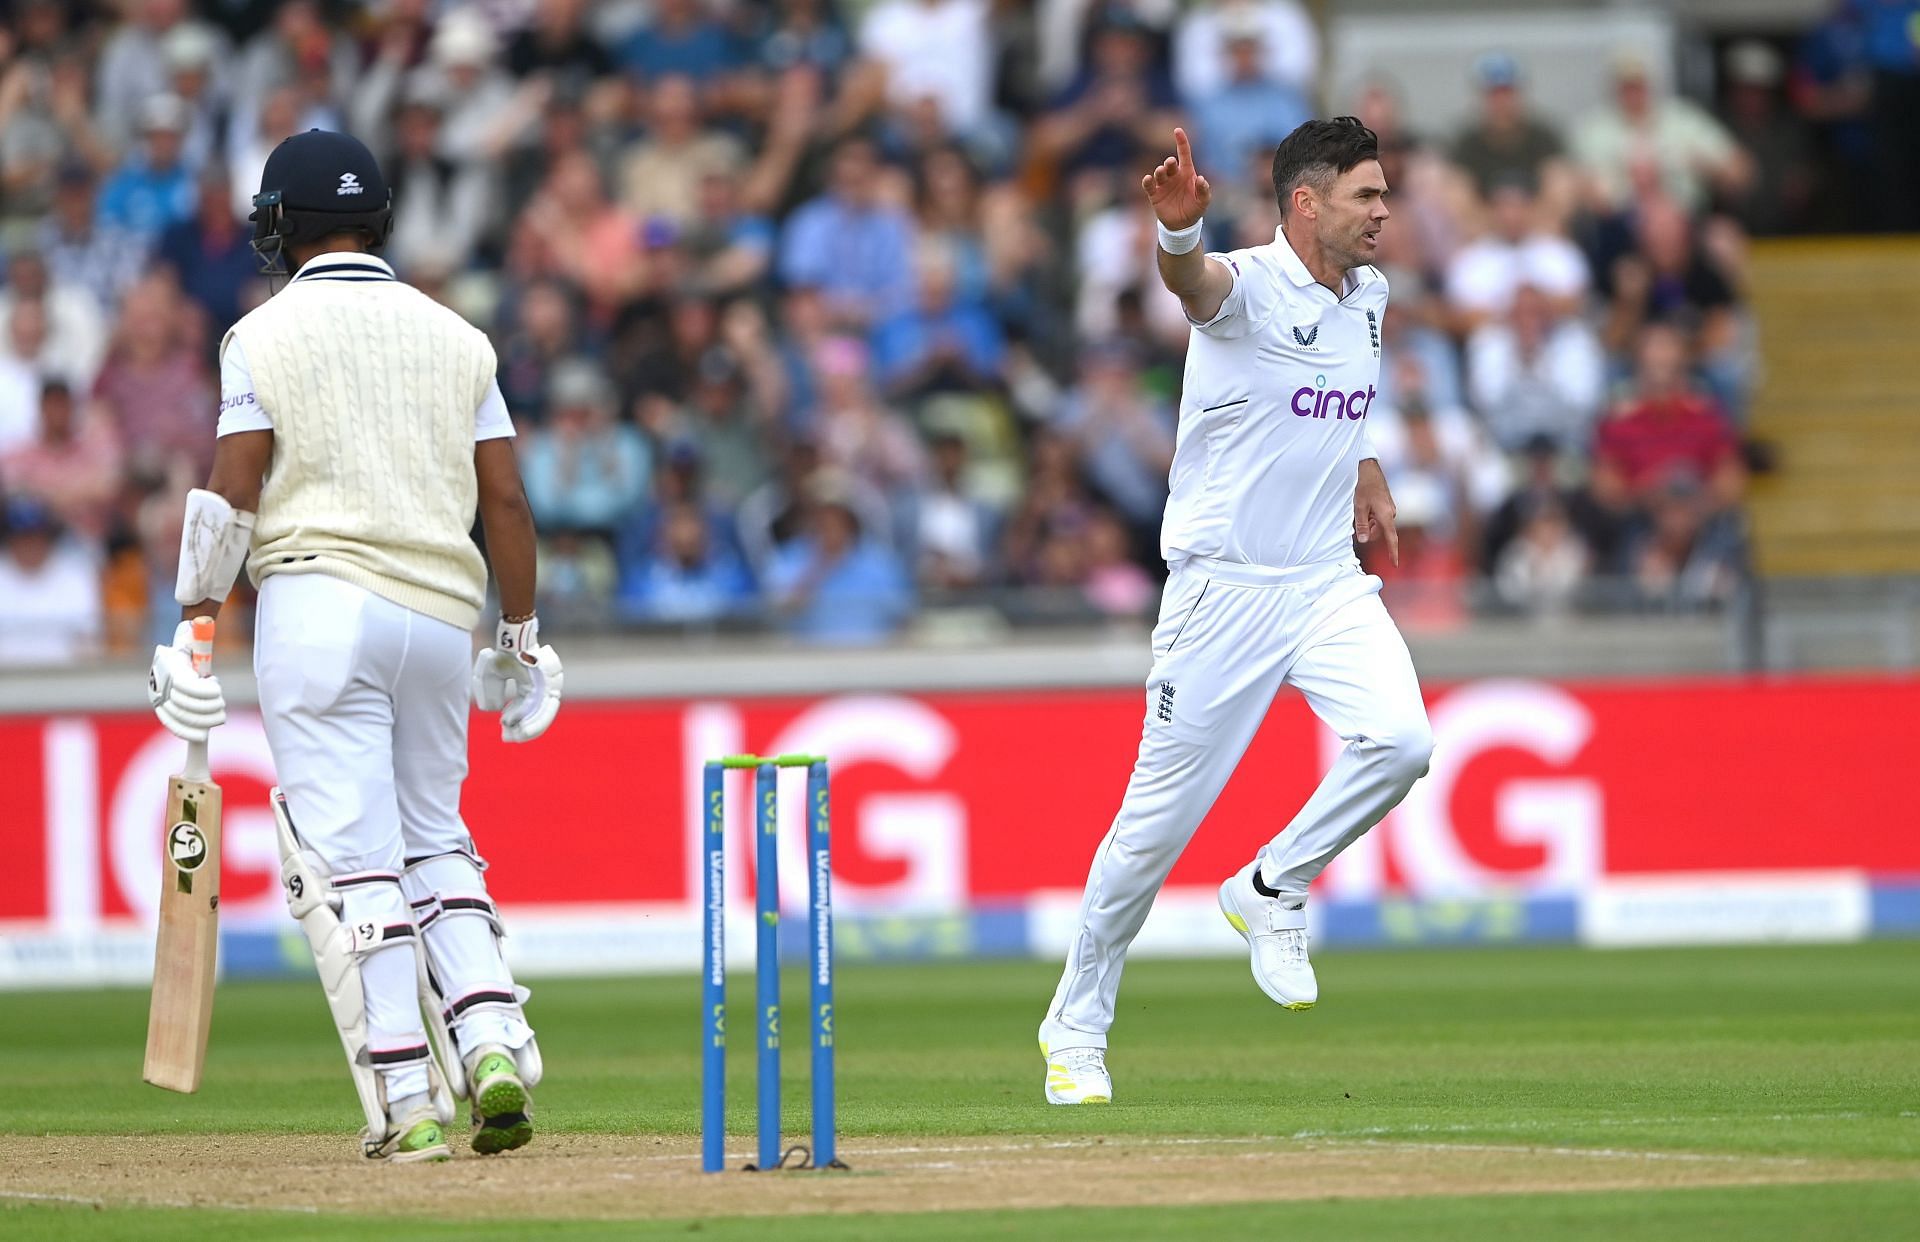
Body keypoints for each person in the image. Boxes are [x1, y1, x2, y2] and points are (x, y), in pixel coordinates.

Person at [144, 130, 562, 1164]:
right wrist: (519, 639)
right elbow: (505, 498)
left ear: (281, 226)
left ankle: (410, 1094)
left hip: (320, 605)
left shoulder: (262, 335)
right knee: (435, 837)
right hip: (438, 614)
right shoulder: (458, 335)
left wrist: (194, 629)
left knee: (356, 860)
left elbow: (233, 489)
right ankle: (493, 1041)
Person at [1038, 120, 1432, 1105]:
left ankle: (1271, 885)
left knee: (1400, 741)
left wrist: (1367, 464)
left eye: (1385, 195)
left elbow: (1338, 392)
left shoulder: (1370, 298)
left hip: (1321, 580)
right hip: (1221, 591)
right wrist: (1177, 237)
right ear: (1307, 203)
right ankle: (1076, 1027)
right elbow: (1195, 289)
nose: (1384, 212)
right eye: (1365, 197)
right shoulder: (1247, 283)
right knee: (1148, 838)